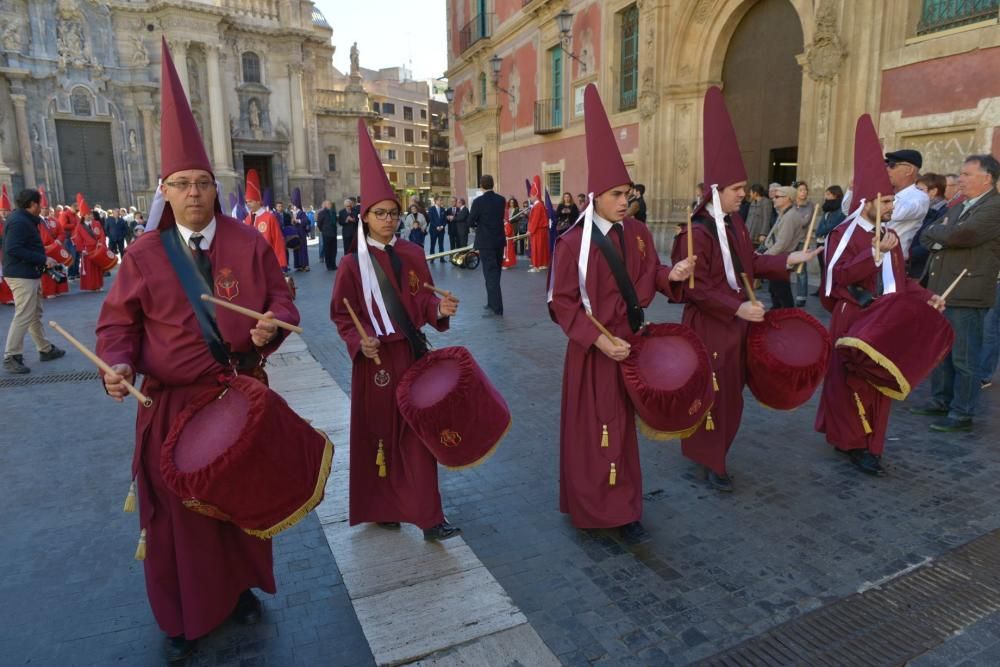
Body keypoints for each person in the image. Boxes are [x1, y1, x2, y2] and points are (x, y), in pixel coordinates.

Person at [95, 40, 299, 662]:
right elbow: (115, 327)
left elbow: (284, 303)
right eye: (180, 183)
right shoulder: (144, 255)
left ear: (217, 187)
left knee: (240, 500)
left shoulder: (247, 241)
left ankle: (239, 587)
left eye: (202, 182)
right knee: (180, 514)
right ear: (165, 190)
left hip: (240, 394)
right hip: (171, 405)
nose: (193, 193)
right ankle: (187, 608)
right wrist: (118, 364)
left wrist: (273, 325)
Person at [549, 84, 696, 544]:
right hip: (595, 350)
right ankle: (595, 508)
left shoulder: (636, 233)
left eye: (628, 192)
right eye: (616, 193)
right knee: (595, 429)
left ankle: (626, 504)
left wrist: (676, 272)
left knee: (624, 431)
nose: (624, 200)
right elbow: (562, 303)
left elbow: (651, 274)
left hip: (630, 345)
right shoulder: (573, 243)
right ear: (595, 195)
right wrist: (598, 340)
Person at [670, 87, 819, 492]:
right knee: (711, 392)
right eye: (737, 189)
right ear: (717, 191)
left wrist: (788, 261)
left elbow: (749, 265)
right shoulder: (695, 230)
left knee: (731, 395)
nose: (744, 195)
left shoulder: (736, 224)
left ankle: (711, 451)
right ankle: (710, 458)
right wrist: (736, 310)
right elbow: (697, 290)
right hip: (711, 324)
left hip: (738, 323)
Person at [331, 118, 460, 542]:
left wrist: (438, 308)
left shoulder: (414, 253)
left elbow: (421, 299)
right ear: (364, 217)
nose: (388, 220)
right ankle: (383, 506)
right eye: (380, 214)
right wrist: (358, 340)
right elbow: (340, 314)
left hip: (411, 355)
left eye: (394, 213)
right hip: (375, 363)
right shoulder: (352, 264)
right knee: (381, 437)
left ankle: (429, 515)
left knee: (419, 438)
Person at [816, 114, 945, 476]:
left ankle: (869, 442)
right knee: (851, 382)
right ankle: (853, 442)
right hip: (854, 316)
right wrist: (874, 255)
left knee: (880, 385)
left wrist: (927, 297)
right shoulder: (844, 234)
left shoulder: (887, 232)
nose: (891, 208)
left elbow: (900, 280)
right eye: (886, 201)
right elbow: (835, 278)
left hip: (884, 319)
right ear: (868, 200)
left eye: (891, 201)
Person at [911, 154, 1000, 432]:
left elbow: (965, 235)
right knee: (942, 352)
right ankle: (941, 401)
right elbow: (927, 233)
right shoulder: (960, 205)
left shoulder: (994, 207)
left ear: (987, 178)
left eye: (966, 174)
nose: (959, 179)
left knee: (964, 356)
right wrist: (946, 234)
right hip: (942, 291)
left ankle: (962, 413)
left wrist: (945, 235)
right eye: (960, 174)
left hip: (967, 291)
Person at [2, 188, 65, 374]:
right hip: (21, 275)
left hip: (28, 273)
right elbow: (13, 249)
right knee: (23, 314)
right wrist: (42, 259)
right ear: (32, 204)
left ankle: (44, 349)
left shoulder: (23, 219)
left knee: (34, 313)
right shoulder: (19, 222)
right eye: (39, 204)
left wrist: (42, 259)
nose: (41, 207)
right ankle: (11, 356)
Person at [843, 148, 929, 260]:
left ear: (909, 170)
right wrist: (853, 190)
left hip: (893, 261)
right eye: (886, 165)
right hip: (868, 256)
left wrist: (876, 185)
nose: (887, 170)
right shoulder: (884, 193)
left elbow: (895, 213)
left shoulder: (919, 197)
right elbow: (849, 211)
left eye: (892, 165)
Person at [469, 176, 506, 317]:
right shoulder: (501, 200)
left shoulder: (478, 202)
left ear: (481, 186)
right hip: (498, 241)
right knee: (496, 273)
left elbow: (470, 221)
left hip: (485, 242)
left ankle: (497, 307)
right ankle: (491, 302)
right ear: (493, 184)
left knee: (490, 274)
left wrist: (478, 224)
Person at [762, 186, 799, 309]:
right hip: (777, 258)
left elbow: (782, 243)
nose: (773, 199)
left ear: (787, 198)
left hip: (781, 259)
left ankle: (787, 320)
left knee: (781, 293)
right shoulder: (784, 213)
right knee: (775, 291)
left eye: (777, 197)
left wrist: (765, 256)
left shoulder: (790, 216)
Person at [243, 170, 287, 271]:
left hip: (268, 263)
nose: (248, 204)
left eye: (251, 201)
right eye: (247, 202)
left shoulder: (269, 217)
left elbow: (278, 241)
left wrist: (281, 264)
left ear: (258, 201)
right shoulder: (247, 219)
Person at [907, 173, 948, 279]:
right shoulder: (926, 210)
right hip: (915, 268)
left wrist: (908, 255)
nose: (915, 194)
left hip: (925, 272)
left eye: (920, 190)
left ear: (933, 191)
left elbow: (934, 242)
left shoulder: (945, 213)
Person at [814, 185, 846, 290]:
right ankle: (822, 288)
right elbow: (822, 223)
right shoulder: (827, 210)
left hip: (830, 242)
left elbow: (832, 226)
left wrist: (820, 232)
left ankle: (829, 288)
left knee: (829, 266)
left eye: (828, 194)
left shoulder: (841, 211)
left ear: (835, 195)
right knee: (822, 266)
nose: (825, 197)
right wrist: (818, 232)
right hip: (821, 241)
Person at [71, 198, 107, 292]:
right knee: (90, 269)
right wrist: (82, 249)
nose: (89, 216)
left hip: (97, 248)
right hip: (87, 250)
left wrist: (101, 242)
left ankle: (99, 284)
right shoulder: (80, 226)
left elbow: (102, 234)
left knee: (97, 268)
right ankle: (92, 286)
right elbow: (77, 239)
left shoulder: (97, 223)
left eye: (90, 214)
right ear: (83, 216)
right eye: (86, 215)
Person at [791, 181, 816, 305]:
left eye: (805, 190)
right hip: (789, 239)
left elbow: (804, 221)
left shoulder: (809, 205)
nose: (804, 192)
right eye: (801, 189)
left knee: (801, 269)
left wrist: (791, 220)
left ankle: (801, 296)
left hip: (801, 240)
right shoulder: (791, 204)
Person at [527, 176, 550, 272]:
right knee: (542, 247)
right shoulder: (539, 205)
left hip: (537, 230)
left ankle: (536, 266)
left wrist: (530, 230)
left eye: (531, 196)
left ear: (535, 195)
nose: (530, 198)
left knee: (537, 248)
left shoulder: (537, 206)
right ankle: (543, 264)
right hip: (542, 230)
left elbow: (535, 220)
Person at [290, 188, 310, 272]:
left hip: (301, 233)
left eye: (294, 206)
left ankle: (305, 265)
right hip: (294, 233)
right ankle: (298, 265)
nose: (293, 207)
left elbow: (307, 221)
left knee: (302, 249)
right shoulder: (291, 213)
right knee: (296, 249)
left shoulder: (301, 213)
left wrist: (297, 220)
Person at [317, 200, 337, 270]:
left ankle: (333, 264)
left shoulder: (333, 212)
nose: (330, 205)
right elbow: (319, 223)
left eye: (330, 204)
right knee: (327, 250)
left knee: (334, 250)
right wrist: (323, 230)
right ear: (325, 205)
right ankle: (329, 266)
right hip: (326, 234)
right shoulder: (322, 213)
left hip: (334, 234)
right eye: (328, 204)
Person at [502, 199, 517, 270]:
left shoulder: (507, 223)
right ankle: (506, 263)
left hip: (507, 240)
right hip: (505, 239)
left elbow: (507, 232)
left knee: (507, 253)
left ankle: (507, 264)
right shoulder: (505, 210)